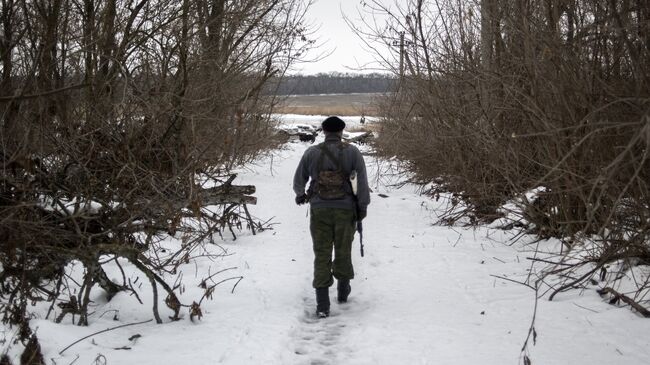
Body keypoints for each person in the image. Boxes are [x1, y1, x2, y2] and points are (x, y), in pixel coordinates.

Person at [293, 116, 370, 318]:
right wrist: (362, 207)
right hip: (346, 209)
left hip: (319, 209)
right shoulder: (352, 152)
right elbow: (361, 181)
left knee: (322, 253)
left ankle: (322, 304)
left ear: (324, 131)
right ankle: (343, 293)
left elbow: (298, 180)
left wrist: (300, 195)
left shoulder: (311, 152)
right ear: (342, 131)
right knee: (343, 250)